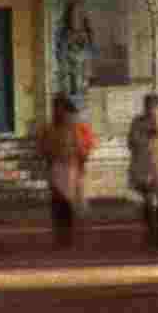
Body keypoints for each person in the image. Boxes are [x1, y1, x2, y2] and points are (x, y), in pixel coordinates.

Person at [28, 92, 95, 248]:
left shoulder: (78, 127)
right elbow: (41, 148)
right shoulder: (48, 128)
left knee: (69, 203)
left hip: (72, 168)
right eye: (55, 107)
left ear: (66, 109)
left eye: (60, 108)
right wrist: (47, 158)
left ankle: (68, 235)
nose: (57, 111)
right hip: (56, 167)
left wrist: (81, 163)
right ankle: (60, 235)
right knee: (57, 203)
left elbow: (85, 146)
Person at [123, 96, 158, 254]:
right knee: (148, 201)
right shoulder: (137, 122)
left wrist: (157, 130)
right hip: (143, 167)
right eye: (149, 106)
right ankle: (151, 234)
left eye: (154, 106)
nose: (151, 109)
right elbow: (131, 142)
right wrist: (145, 136)